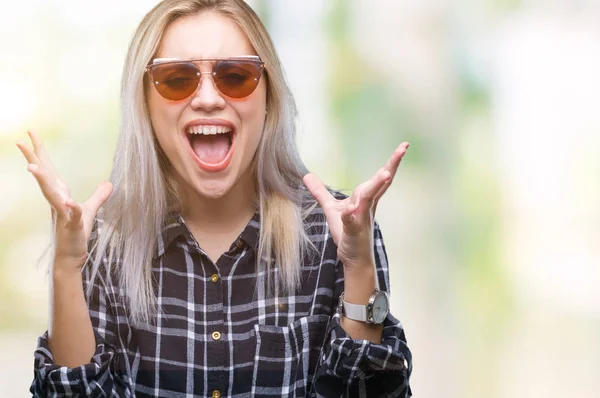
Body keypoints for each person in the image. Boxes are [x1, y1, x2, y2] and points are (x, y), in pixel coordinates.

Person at [17, 0, 412, 396]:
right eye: (175, 78)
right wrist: (66, 269)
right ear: (146, 106)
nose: (208, 98)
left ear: (269, 99)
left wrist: (358, 266)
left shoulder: (338, 233)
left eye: (236, 75)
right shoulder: (101, 243)